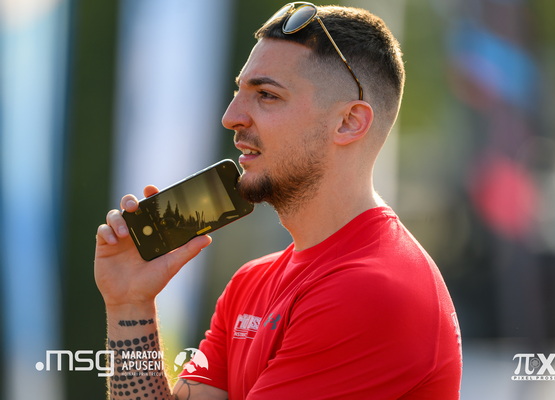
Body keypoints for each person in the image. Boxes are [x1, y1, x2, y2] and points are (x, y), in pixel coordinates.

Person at [95, 3, 463, 399]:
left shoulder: (372, 290)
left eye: (266, 95)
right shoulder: (250, 282)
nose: (231, 117)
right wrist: (130, 304)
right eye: (238, 92)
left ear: (349, 122)